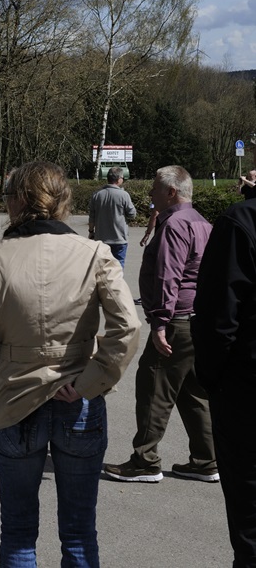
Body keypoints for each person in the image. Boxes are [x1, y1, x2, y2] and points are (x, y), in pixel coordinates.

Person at [0, 160, 140, 567]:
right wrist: (90, 381)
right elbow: (127, 328)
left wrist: (14, 358)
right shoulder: (96, 254)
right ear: (62, 202)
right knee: (79, 532)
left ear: (16, 202)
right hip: (79, 400)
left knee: (18, 533)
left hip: (15, 401)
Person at [103, 165, 217, 483]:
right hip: (196, 320)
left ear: (171, 191)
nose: (151, 193)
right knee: (192, 392)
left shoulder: (175, 225)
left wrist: (160, 322)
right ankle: (206, 460)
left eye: (155, 187)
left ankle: (145, 461)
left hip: (176, 319)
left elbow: (169, 275)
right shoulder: (202, 222)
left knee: (153, 388)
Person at [192, 196, 256, 565]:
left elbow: (217, 318)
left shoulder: (242, 220)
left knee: (251, 521)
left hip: (246, 394)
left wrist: (211, 379)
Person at [88, 166, 136, 267]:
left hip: (101, 238)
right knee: (118, 266)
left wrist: (91, 231)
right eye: (122, 178)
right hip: (119, 238)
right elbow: (132, 214)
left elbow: (92, 217)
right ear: (118, 179)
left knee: (102, 267)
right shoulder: (123, 195)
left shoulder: (97, 195)